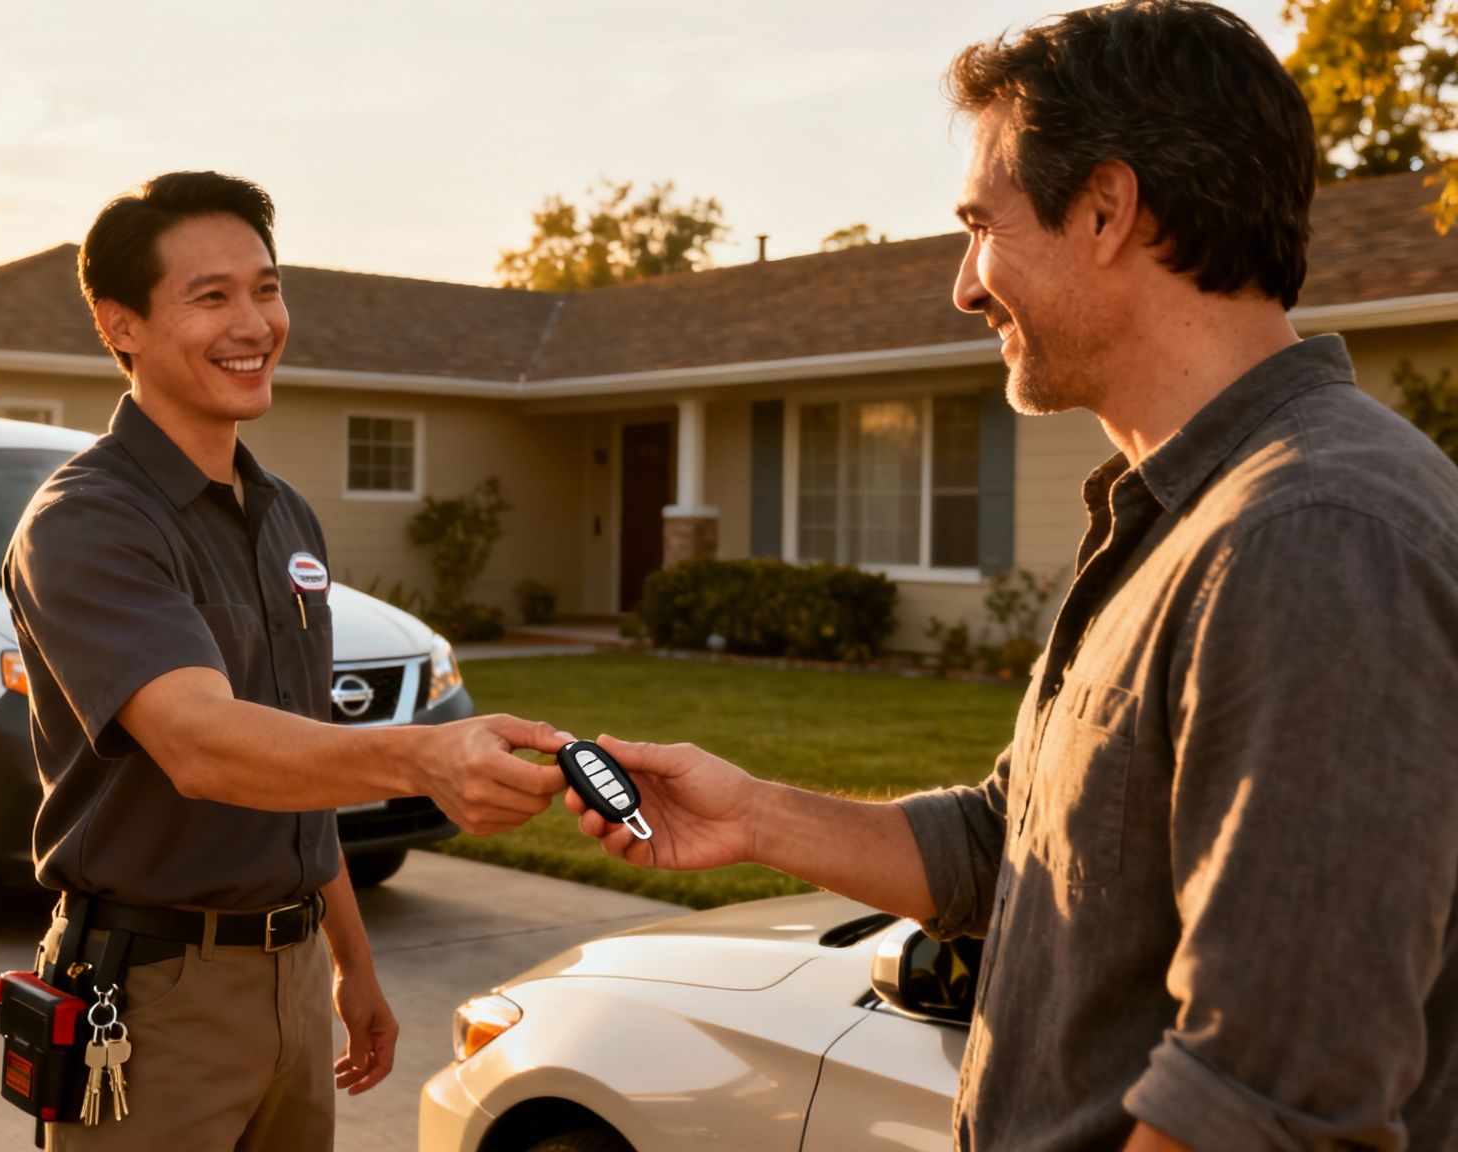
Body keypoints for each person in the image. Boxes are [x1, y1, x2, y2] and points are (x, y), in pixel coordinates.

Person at [572, 4, 1458, 1150]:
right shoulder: (1175, 516)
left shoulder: (1312, 536)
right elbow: (1016, 852)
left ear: (1104, 209)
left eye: (978, 227)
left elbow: (1269, 1096)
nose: (962, 285)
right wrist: (749, 815)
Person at [4, 171, 571, 1151]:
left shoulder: (285, 518)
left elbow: (295, 768)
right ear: (121, 325)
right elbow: (200, 745)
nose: (254, 322)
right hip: (151, 994)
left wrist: (349, 963)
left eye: (265, 288)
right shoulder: (87, 523)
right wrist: (424, 756)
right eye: (210, 296)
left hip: (296, 975)